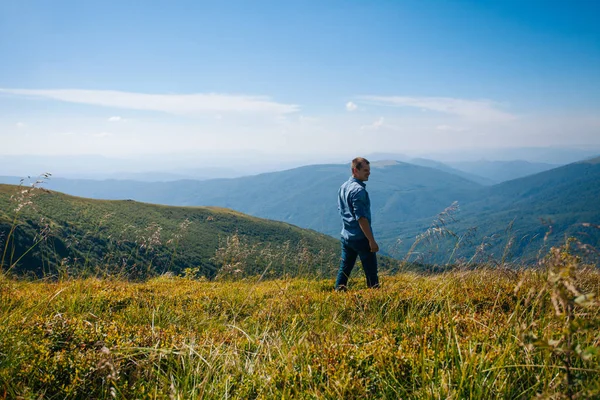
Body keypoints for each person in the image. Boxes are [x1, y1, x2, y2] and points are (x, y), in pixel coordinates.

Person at [335, 157, 380, 291]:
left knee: (345, 269)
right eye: (365, 170)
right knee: (371, 272)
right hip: (361, 237)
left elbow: (341, 210)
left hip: (346, 236)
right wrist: (371, 240)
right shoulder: (359, 191)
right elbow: (361, 218)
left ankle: (339, 292)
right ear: (355, 170)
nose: (369, 173)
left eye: (369, 170)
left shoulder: (343, 187)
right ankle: (375, 298)